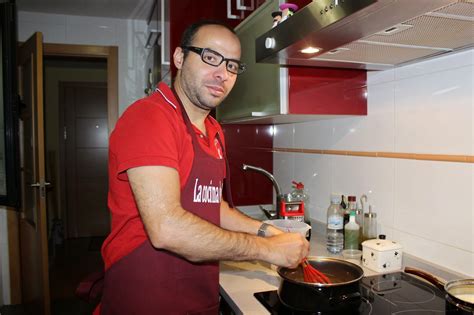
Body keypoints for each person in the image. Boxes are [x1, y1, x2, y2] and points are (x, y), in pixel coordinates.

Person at [95, 20, 309, 315]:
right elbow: (166, 229)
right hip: (147, 299)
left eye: (232, 65)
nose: (222, 74)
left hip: (198, 296)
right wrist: (266, 249)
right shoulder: (149, 118)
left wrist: (266, 231)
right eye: (210, 57)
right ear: (180, 58)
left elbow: (210, 205)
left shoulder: (213, 129)